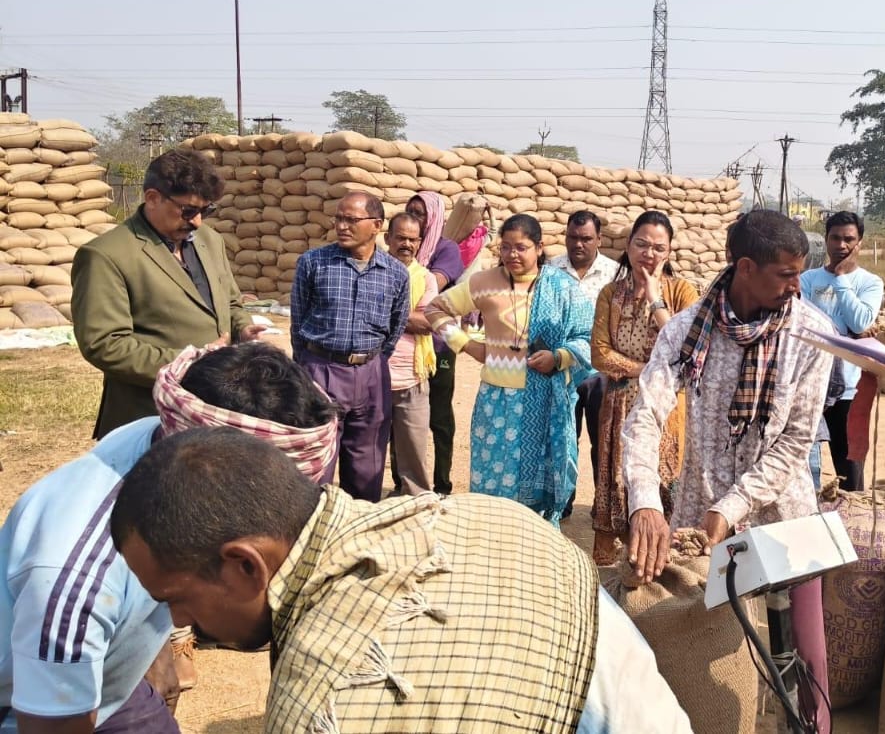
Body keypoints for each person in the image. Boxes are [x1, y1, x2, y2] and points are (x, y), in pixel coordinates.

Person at [110, 428, 693, 734]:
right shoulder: (490, 514)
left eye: (176, 599)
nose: (178, 622)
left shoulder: (317, 711)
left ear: (245, 565)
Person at [0, 343, 337, 734]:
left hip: (111, 682)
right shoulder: (73, 578)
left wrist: (153, 649)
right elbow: (51, 721)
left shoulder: (161, 442)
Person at [624, 209, 836, 734]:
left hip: (780, 520)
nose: (796, 286)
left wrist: (730, 508)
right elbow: (645, 416)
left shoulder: (813, 335)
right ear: (745, 266)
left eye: (799, 273)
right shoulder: (684, 331)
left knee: (794, 661)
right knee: (714, 655)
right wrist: (646, 500)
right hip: (701, 521)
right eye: (786, 274)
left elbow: (794, 444)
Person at [70, 148, 264, 438]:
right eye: (188, 211)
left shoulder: (209, 241)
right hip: (149, 416)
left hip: (212, 411)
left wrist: (243, 328)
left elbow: (230, 302)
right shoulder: (106, 255)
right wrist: (190, 362)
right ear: (152, 198)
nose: (197, 221)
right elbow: (104, 344)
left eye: (205, 211)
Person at [425, 214, 593, 524]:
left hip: (543, 401)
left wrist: (558, 358)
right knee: (493, 481)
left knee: (537, 487)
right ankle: (493, 543)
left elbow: (586, 337)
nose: (512, 255)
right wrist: (466, 344)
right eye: (506, 248)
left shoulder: (562, 287)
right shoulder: (484, 283)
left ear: (539, 248)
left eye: (521, 247)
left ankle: (536, 543)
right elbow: (435, 309)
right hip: (497, 402)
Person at [589, 211, 698, 565]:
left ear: (668, 252)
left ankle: (663, 576)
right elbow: (600, 354)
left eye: (658, 248)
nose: (648, 254)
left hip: (665, 408)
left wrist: (655, 300)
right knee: (617, 482)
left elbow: (684, 349)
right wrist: (649, 369)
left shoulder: (681, 292)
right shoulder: (610, 293)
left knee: (660, 480)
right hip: (618, 406)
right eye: (642, 244)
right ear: (629, 245)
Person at [291, 192, 409, 502]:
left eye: (351, 220)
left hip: (372, 374)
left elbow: (395, 327)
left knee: (366, 467)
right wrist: (307, 366)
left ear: (376, 225)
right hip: (320, 369)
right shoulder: (313, 263)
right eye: (338, 218)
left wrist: (373, 362)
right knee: (316, 467)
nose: (342, 225)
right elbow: (297, 322)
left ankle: (358, 534)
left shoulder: (396, 273)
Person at [800, 211, 884, 491]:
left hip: (849, 389)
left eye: (849, 239)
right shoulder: (808, 280)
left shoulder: (870, 283)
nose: (841, 245)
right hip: (809, 385)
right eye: (835, 238)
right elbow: (802, 322)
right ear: (825, 240)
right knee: (805, 463)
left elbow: (860, 321)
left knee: (849, 466)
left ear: (860, 243)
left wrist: (840, 278)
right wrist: (848, 332)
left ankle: (852, 526)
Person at [549, 210, 620, 517]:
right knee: (563, 440)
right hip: (559, 371)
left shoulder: (614, 273)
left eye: (586, 239)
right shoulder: (551, 268)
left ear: (599, 240)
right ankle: (562, 502)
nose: (578, 244)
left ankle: (601, 506)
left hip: (597, 373)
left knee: (602, 442)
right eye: (573, 238)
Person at [398, 193, 464, 495]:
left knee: (438, 417)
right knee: (399, 418)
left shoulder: (446, 249)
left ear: (434, 218)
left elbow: (432, 286)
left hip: (437, 346)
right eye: (410, 211)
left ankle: (442, 483)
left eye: (421, 213)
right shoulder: (399, 251)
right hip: (403, 350)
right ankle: (402, 482)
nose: (415, 218)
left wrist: (395, 307)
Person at [383, 213, 438, 496]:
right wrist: (407, 316)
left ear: (419, 242)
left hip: (412, 377)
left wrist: (381, 313)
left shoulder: (426, 278)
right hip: (373, 375)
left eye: (412, 239)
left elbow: (427, 323)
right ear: (387, 239)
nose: (406, 244)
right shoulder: (373, 272)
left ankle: (416, 506)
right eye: (400, 238)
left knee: (414, 455)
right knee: (367, 452)